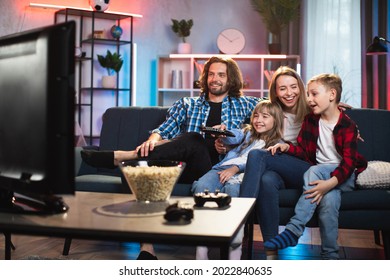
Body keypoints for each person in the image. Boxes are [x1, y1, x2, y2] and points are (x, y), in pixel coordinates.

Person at [81, 56, 263, 259]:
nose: (215, 79)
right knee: (178, 148)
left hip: (217, 170)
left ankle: (128, 157)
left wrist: (232, 141)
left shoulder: (246, 105)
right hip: (187, 168)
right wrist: (152, 140)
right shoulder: (187, 104)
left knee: (160, 153)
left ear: (231, 79)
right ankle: (147, 248)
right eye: (211, 74)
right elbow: (164, 129)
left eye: (221, 74)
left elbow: (274, 112)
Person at [263, 73, 367, 259]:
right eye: (308, 95)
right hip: (322, 177)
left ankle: (294, 230)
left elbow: (349, 162)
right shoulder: (310, 120)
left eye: (314, 94)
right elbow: (304, 152)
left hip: (343, 175)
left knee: (315, 170)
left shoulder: (347, 125)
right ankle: (330, 254)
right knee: (329, 201)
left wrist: (330, 183)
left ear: (332, 95)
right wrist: (287, 147)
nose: (309, 99)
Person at [192, 100, 284, 260]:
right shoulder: (248, 133)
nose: (258, 120)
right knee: (201, 186)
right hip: (222, 168)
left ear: (275, 120)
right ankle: (201, 246)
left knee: (232, 192)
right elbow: (233, 137)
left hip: (242, 176)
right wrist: (223, 134)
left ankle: (234, 250)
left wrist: (235, 168)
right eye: (256, 116)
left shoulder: (276, 143)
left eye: (265, 116)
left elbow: (258, 162)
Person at [239, 66, 312, 259]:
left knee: (257, 155)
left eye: (293, 87)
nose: (289, 93)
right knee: (266, 181)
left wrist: (340, 108)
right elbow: (251, 108)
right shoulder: (273, 111)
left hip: (305, 169)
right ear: (275, 93)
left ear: (300, 87)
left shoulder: (312, 109)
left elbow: (333, 114)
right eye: (282, 89)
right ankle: (271, 251)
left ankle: (238, 218)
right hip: (279, 168)